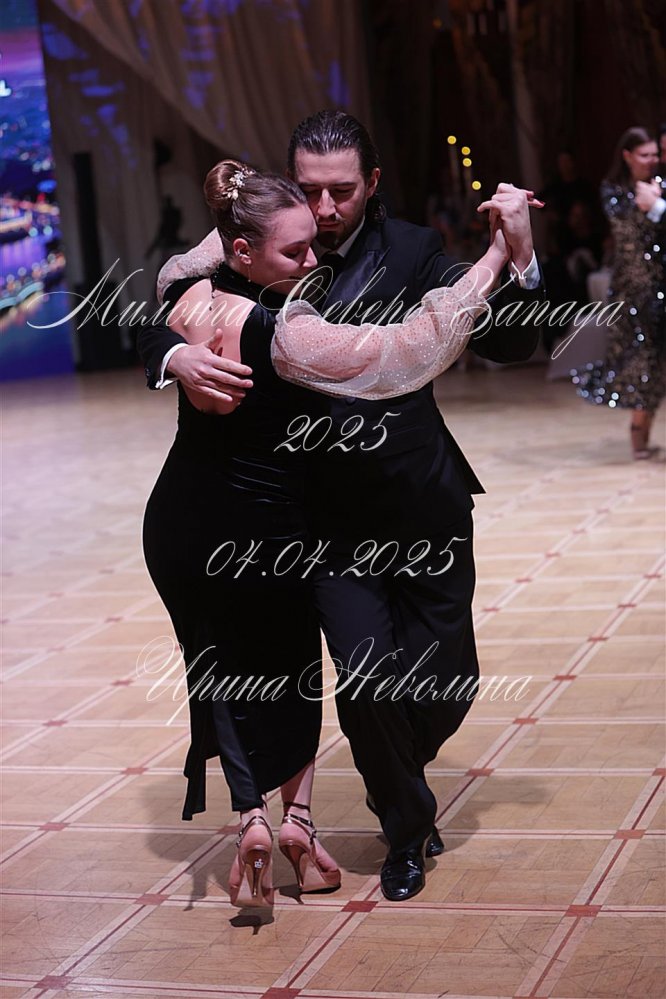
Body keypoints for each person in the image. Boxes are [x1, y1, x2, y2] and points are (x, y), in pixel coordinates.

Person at [138, 110, 543, 903]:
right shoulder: (259, 252)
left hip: (421, 503)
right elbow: (174, 295)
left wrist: (519, 260)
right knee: (364, 684)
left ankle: (394, 778)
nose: (324, 210)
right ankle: (406, 827)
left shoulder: (415, 249)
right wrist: (175, 354)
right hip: (324, 524)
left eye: (342, 192)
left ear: (373, 183)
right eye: (311, 189)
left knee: (446, 682)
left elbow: (509, 343)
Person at [572, 127, 665, 458]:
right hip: (632, 290)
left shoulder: (660, 185)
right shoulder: (614, 190)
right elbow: (628, 228)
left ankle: (643, 436)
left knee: (656, 362)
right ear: (627, 156)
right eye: (644, 154)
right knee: (642, 360)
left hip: (661, 284)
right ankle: (638, 437)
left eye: (655, 154)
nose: (652, 160)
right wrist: (647, 205)